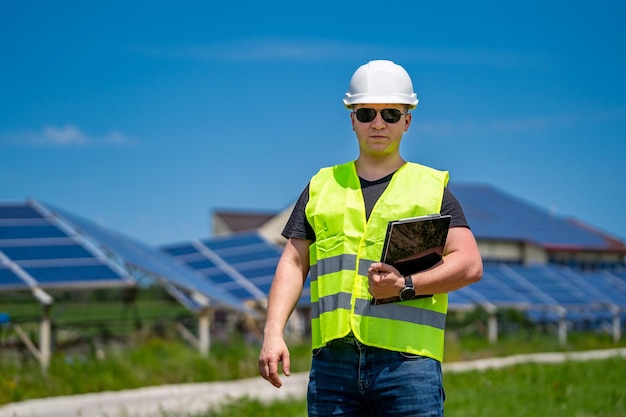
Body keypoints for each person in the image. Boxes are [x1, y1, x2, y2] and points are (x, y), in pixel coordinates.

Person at [258, 59, 483, 416]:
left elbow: (469, 264)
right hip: (333, 364)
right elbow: (293, 261)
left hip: (408, 365)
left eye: (390, 114)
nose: (378, 123)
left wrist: (405, 285)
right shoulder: (322, 186)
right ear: (352, 119)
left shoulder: (430, 189)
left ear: (407, 121)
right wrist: (273, 333)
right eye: (366, 113)